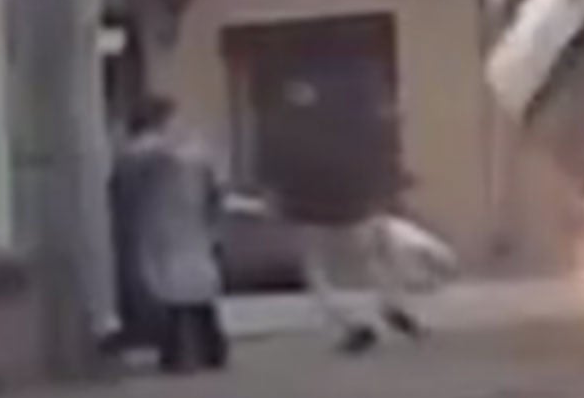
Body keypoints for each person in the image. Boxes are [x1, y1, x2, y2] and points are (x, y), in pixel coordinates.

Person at [263, 78, 422, 355]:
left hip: (313, 213)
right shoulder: (341, 128)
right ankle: (391, 305)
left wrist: (280, 203)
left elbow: (282, 173)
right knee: (370, 262)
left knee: (317, 273)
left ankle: (354, 324)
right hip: (355, 207)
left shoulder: (287, 133)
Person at [109, 94, 229, 373]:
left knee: (174, 295)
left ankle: (186, 352)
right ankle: (201, 351)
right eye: (175, 119)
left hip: (160, 237)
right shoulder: (179, 157)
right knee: (190, 297)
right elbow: (212, 194)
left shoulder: (134, 157)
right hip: (181, 235)